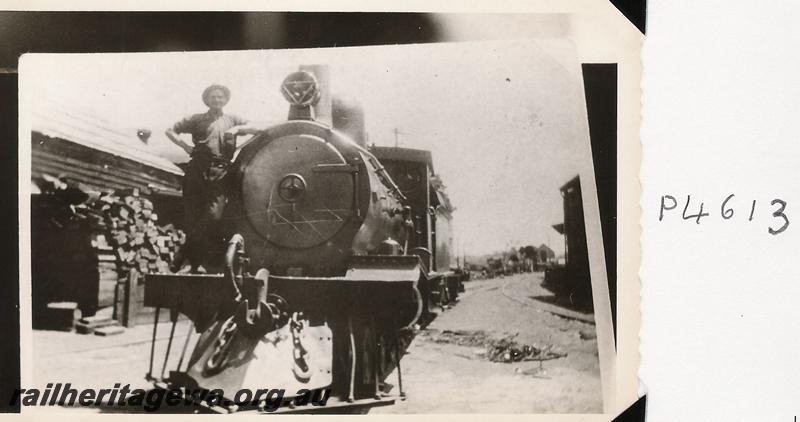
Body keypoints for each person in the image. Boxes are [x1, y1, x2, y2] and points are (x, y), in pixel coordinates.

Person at [165, 84, 253, 272]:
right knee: (194, 216)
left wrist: (238, 130)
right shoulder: (196, 119)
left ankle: (184, 253)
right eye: (213, 97)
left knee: (213, 217)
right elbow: (170, 130)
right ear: (207, 100)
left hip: (220, 171)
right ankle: (197, 263)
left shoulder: (233, 119)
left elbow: (259, 128)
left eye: (220, 97)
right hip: (197, 169)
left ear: (226, 100)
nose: (217, 100)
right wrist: (184, 146)